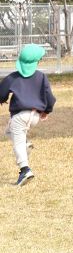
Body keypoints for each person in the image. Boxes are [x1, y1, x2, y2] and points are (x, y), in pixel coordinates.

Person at [1, 44, 55, 187]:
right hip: (35, 116)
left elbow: (1, 94)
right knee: (8, 131)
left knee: (17, 142)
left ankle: (25, 170)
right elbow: (50, 97)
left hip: (19, 116)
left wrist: (3, 99)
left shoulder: (13, 78)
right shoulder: (42, 77)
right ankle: (25, 144)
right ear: (37, 62)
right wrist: (46, 111)